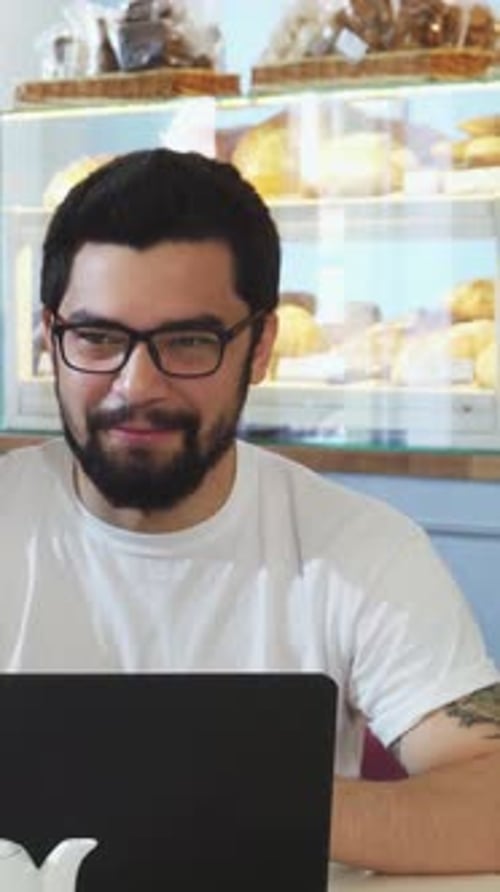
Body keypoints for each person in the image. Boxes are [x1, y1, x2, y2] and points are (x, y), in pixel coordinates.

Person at [1, 148, 499, 875]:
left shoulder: (361, 548)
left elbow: (489, 800)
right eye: (99, 338)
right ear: (50, 337)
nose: (136, 386)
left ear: (260, 346)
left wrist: (221, 795)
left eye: (188, 342)